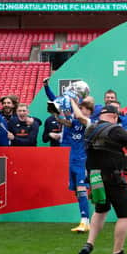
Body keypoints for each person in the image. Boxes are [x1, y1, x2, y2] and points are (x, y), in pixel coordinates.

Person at [78, 105, 127, 254]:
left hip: (95, 176)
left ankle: (89, 244)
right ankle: (117, 252)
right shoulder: (117, 130)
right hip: (113, 177)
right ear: (115, 116)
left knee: (101, 209)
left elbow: (105, 152)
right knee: (125, 214)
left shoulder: (90, 129)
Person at [43, 79, 93, 233]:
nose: (81, 109)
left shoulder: (88, 122)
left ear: (89, 111)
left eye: (84, 108)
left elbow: (77, 117)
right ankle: (85, 218)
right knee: (77, 191)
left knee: (81, 188)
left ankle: (86, 221)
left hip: (81, 159)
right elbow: (64, 120)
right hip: (70, 157)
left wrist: (71, 102)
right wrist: (55, 111)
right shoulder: (73, 121)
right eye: (81, 107)